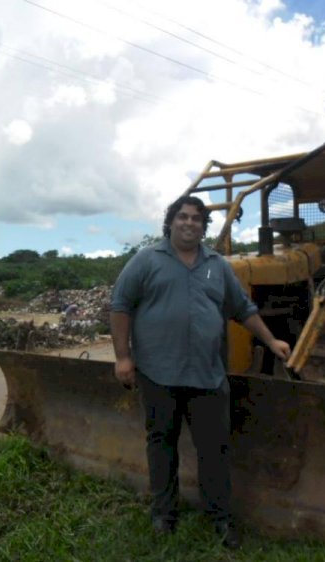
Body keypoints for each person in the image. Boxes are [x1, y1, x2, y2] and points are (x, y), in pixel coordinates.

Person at [109, 195, 291, 550]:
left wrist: (271, 341)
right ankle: (164, 513)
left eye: (196, 219)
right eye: (182, 217)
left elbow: (242, 308)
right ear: (170, 222)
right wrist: (122, 357)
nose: (189, 223)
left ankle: (220, 517)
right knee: (161, 444)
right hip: (158, 373)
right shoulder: (146, 260)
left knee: (214, 449)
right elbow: (120, 306)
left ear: (204, 227)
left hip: (208, 376)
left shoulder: (217, 266)